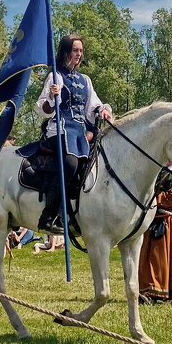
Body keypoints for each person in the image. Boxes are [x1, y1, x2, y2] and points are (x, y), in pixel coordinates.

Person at [33, 34, 113, 233]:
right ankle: (49, 216)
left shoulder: (85, 80)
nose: (79, 54)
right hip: (59, 128)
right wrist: (52, 96)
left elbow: (92, 105)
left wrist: (102, 109)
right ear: (66, 52)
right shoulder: (55, 76)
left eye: (81, 51)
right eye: (76, 50)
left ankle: (80, 212)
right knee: (70, 164)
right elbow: (42, 109)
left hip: (79, 131)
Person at [138, 176, 172, 303]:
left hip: (166, 222)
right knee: (148, 257)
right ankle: (149, 290)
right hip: (153, 218)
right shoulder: (158, 171)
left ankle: (157, 290)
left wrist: (150, 197)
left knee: (159, 257)